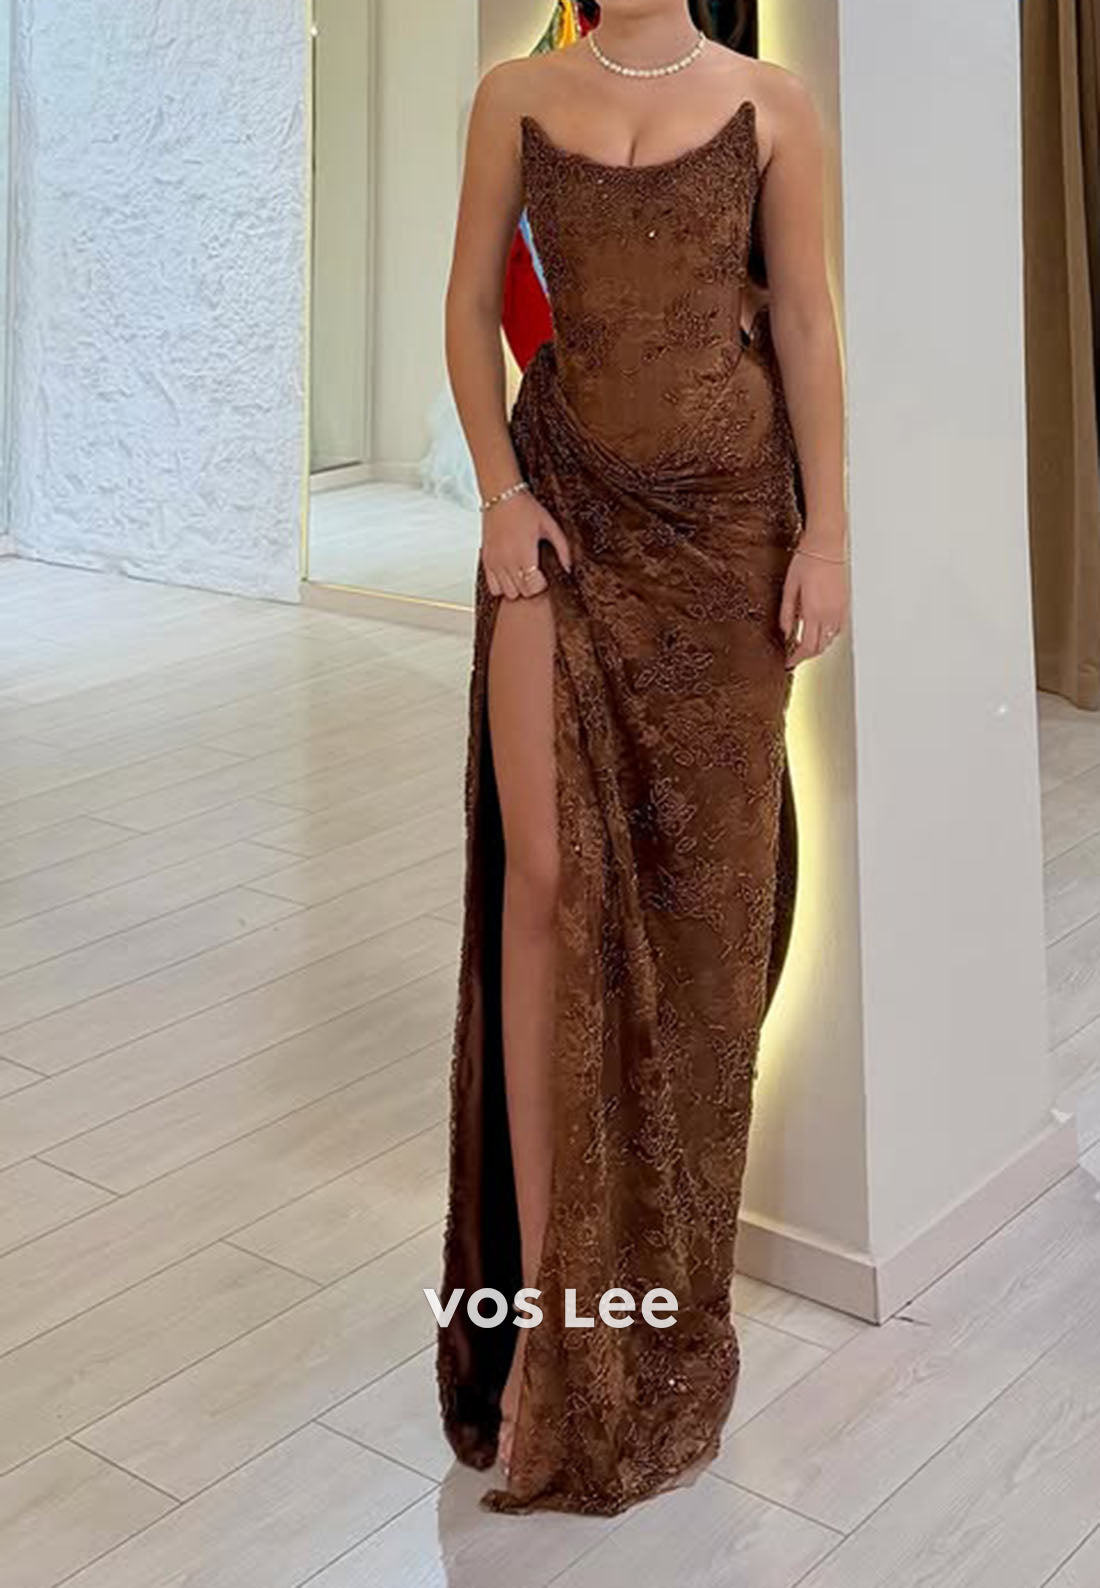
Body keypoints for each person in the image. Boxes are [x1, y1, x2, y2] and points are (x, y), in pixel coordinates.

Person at [436, 0, 849, 1517]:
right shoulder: (514, 91)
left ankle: (659, 1309)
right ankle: (551, 1322)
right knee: (542, 885)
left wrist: (829, 534)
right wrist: (499, 493)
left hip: (729, 536)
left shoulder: (774, 106)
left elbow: (804, 326)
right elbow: (466, 309)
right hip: (561, 512)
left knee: (702, 922)